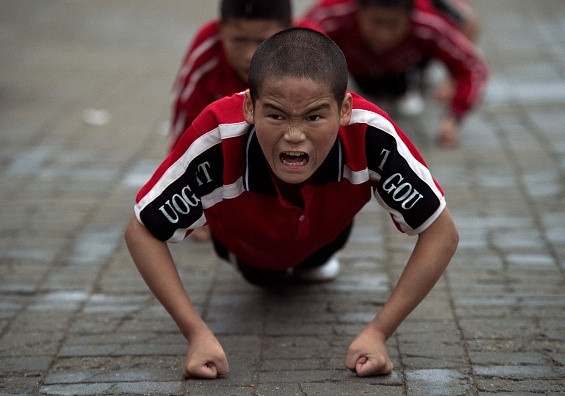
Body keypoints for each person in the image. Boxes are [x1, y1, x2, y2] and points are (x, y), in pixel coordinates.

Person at [126, 28, 459, 379]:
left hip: (326, 233)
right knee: (263, 277)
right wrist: (195, 334)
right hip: (246, 246)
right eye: (277, 116)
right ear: (249, 107)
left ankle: (316, 257)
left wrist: (379, 331)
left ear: (344, 109)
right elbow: (142, 230)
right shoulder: (217, 135)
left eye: (314, 117)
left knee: (315, 261)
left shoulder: (371, 133)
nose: (294, 135)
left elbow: (443, 233)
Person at [170, 0, 318, 240]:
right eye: (238, 40)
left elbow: (335, 130)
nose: (250, 55)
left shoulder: (312, 49)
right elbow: (185, 128)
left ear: (290, 30)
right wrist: (189, 207)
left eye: (263, 42)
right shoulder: (207, 50)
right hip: (230, 163)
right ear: (221, 31)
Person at [304, 0, 488, 147]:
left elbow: (473, 66)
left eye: (393, 25)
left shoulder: (428, 22)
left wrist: (454, 117)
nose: (383, 35)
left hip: (407, 69)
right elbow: (298, 51)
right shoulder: (333, 13)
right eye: (376, 22)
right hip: (355, 70)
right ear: (358, 10)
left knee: (463, 18)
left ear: (410, 17)